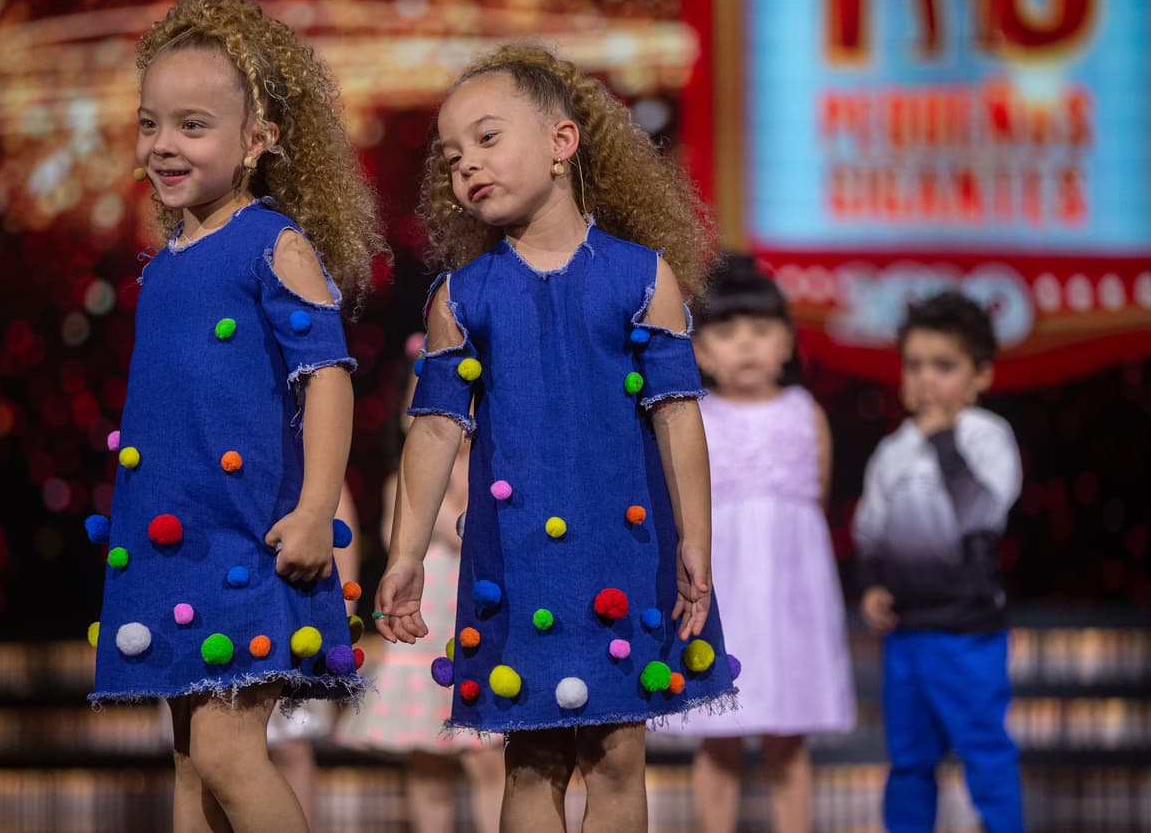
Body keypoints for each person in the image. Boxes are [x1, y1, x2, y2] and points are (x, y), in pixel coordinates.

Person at [373, 42, 737, 833]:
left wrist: (697, 539)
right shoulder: (461, 298)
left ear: (562, 143)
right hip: (517, 559)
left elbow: (679, 415)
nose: (466, 163)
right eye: (451, 154)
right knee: (533, 758)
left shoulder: (644, 277)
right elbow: (434, 430)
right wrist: (403, 554)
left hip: (622, 550)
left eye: (487, 138)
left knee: (616, 754)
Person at [87, 0, 387, 832]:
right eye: (151, 124)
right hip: (170, 547)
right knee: (191, 770)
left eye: (192, 125)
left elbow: (328, 376)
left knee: (225, 755)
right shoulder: (164, 266)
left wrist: (317, 506)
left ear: (257, 141)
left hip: (246, 543)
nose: (163, 146)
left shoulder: (272, 242)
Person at [663, 255, 855, 832]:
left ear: (788, 343)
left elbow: (814, 499)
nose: (746, 344)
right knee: (718, 736)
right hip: (724, 590)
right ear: (700, 350)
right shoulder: (695, 416)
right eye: (727, 331)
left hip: (790, 596)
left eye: (761, 330)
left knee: (788, 740)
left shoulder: (805, 413)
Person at [853, 289, 1024, 832]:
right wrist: (873, 585)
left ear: (982, 376)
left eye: (944, 366)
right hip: (906, 637)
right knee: (908, 762)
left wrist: (945, 440)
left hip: (968, 635)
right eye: (915, 365)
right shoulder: (891, 451)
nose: (925, 379)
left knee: (985, 753)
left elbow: (982, 512)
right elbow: (870, 532)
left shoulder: (989, 437)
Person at [335, 333, 505, 833]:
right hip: (422, 631)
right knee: (425, 763)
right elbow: (427, 532)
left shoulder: (487, 468)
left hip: (472, 628)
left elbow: (476, 531)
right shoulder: (400, 480)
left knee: (484, 758)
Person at [266, 481, 363, 826]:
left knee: (291, 745)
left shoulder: (306, 453)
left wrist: (340, 618)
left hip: (295, 622)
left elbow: (341, 528)